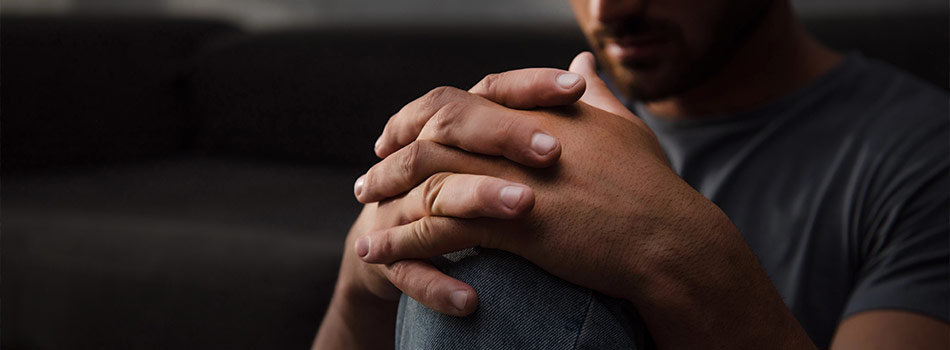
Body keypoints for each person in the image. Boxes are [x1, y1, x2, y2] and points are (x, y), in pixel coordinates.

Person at [313, 0, 949, 348]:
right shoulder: (548, 129)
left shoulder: (925, 156)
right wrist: (358, 277)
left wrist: (674, 252)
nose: (609, 6)